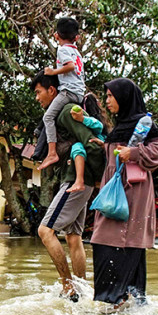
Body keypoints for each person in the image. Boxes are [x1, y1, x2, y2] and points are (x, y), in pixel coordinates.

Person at [91, 78, 158, 308]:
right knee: (108, 239)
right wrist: (103, 145)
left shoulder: (143, 123)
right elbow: (116, 152)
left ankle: (114, 300)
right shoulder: (121, 125)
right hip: (115, 189)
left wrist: (133, 153)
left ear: (124, 98)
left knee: (115, 240)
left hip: (131, 192)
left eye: (110, 96)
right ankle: (128, 300)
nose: (106, 102)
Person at [31, 71, 106, 301]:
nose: (37, 98)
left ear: (52, 90)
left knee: (45, 231)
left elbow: (93, 145)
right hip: (80, 180)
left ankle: (68, 288)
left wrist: (90, 178)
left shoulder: (64, 112)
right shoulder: (62, 115)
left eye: (38, 92)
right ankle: (82, 291)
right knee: (73, 237)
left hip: (76, 180)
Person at [35, 17, 86, 171]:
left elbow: (69, 66)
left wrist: (53, 71)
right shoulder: (76, 52)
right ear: (76, 37)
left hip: (68, 92)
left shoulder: (63, 50)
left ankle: (51, 153)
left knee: (47, 117)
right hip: (79, 92)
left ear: (56, 35)